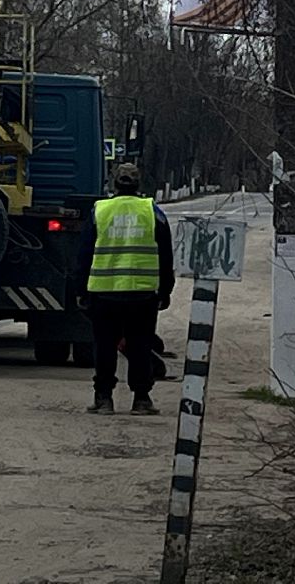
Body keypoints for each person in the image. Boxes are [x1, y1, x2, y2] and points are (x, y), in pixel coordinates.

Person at [78, 162, 174, 416]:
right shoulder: (152, 211)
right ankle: (141, 399)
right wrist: (165, 290)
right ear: (138, 183)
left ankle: (103, 399)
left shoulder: (100, 211)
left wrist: (81, 290)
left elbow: (84, 254)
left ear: (114, 183)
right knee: (140, 346)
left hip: (104, 293)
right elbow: (166, 255)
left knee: (105, 347)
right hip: (142, 294)